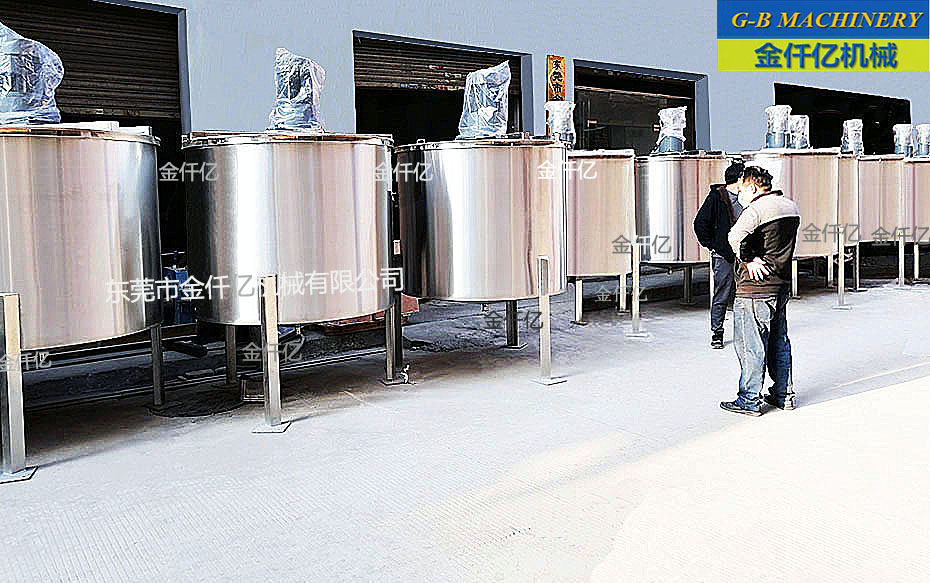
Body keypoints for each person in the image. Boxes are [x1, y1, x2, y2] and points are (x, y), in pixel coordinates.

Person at [720, 166, 800, 416]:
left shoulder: (756, 210)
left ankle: (749, 399)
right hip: (780, 284)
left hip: (754, 289)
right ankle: (783, 394)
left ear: (753, 188)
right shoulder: (790, 206)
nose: (739, 195)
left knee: (751, 346)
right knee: (779, 342)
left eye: (742, 190)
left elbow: (734, 237)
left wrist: (749, 259)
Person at [693, 161, 745, 349]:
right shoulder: (717, 197)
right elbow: (700, 223)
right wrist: (714, 245)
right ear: (739, 179)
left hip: (744, 254)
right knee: (722, 294)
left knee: (745, 295)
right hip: (723, 255)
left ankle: (745, 332)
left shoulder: (746, 197)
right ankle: (717, 332)